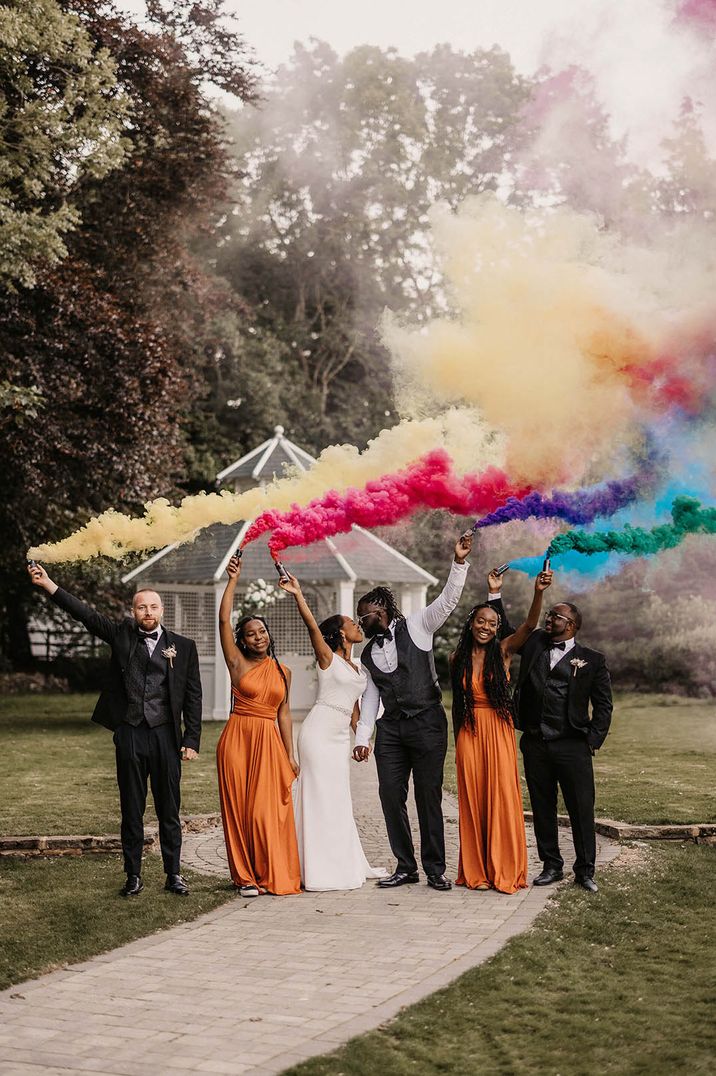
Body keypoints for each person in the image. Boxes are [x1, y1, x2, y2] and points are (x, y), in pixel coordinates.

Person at [28, 562, 201, 898]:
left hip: (166, 735)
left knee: (170, 808)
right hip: (131, 732)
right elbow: (85, 614)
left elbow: (194, 696)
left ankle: (174, 873)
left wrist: (191, 739)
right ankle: (133, 874)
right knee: (131, 807)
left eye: (152, 606)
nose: (147, 612)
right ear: (133, 611)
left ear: (161, 610)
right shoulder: (120, 634)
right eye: (141, 607)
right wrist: (49, 584)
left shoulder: (183, 646)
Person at [353, 531, 473, 892]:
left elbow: (449, 601)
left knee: (428, 795)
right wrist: (362, 739)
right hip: (391, 729)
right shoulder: (367, 655)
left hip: (427, 723)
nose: (360, 622)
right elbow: (372, 698)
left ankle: (435, 868)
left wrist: (459, 562)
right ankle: (406, 866)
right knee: (390, 794)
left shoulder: (419, 625)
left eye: (365, 616)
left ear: (383, 611)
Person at [489, 581, 613, 893]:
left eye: (556, 616)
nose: (549, 618)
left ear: (571, 624)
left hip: (573, 744)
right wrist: (495, 593)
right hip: (534, 742)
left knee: (580, 808)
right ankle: (551, 865)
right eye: (549, 614)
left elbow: (603, 706)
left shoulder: (593, 660)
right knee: (543, 807)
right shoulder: (534, 643)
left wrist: (591, 741)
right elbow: (506, 628)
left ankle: (585, 871)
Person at [278, 572, 386, 890]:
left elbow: (355, 709)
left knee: (338, 799)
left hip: (339, 738)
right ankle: (316, 869)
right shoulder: (328, 658)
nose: (357, 625)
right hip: (317, 733)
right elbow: (313, 626)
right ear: (340, 634)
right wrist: (298, 593)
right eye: (352, 622)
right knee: (318, 798)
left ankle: (341, 861)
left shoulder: (359, 668)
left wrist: (361, 740)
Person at [450, 568, 552, 894]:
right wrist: (456, 741)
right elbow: (456, 704)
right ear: (471, 623)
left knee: (501, 796)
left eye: (493, 624)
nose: (487, 627)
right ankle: (476, 872)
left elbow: (528, 626)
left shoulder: (504, 651)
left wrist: (538, 592)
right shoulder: (457, 658)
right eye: (481, 621)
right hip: (470, 731)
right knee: (473, 798)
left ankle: (503, 868)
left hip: (498, 728)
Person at [216, 553, 301, 897]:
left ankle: (268, 870)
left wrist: (290, 753)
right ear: (242, 640)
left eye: (262, 631)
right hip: (238, 739)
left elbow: (284, 713)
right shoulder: (236, 663)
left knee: (266, 813)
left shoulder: (283, 672)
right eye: (250, 634)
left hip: (270, 742)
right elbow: (223, 622)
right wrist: (233, 580)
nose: (258, 637)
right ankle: (245, 877)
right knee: (240, 811)